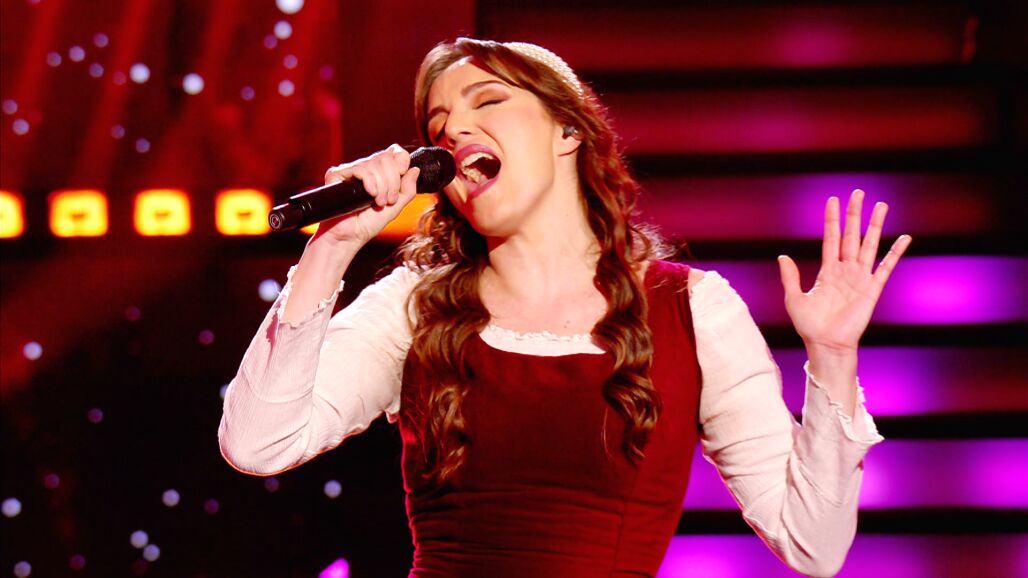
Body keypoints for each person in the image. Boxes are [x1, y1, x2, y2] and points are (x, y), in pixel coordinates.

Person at [218, 37, 912, 578]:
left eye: (488, 102)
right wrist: (333, 247)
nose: (455, 131)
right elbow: (257, 443)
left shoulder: (692, 311)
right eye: (440, 122)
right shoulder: (414, 305)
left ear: (567, 131)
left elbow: (813, 545)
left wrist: (832, 358)